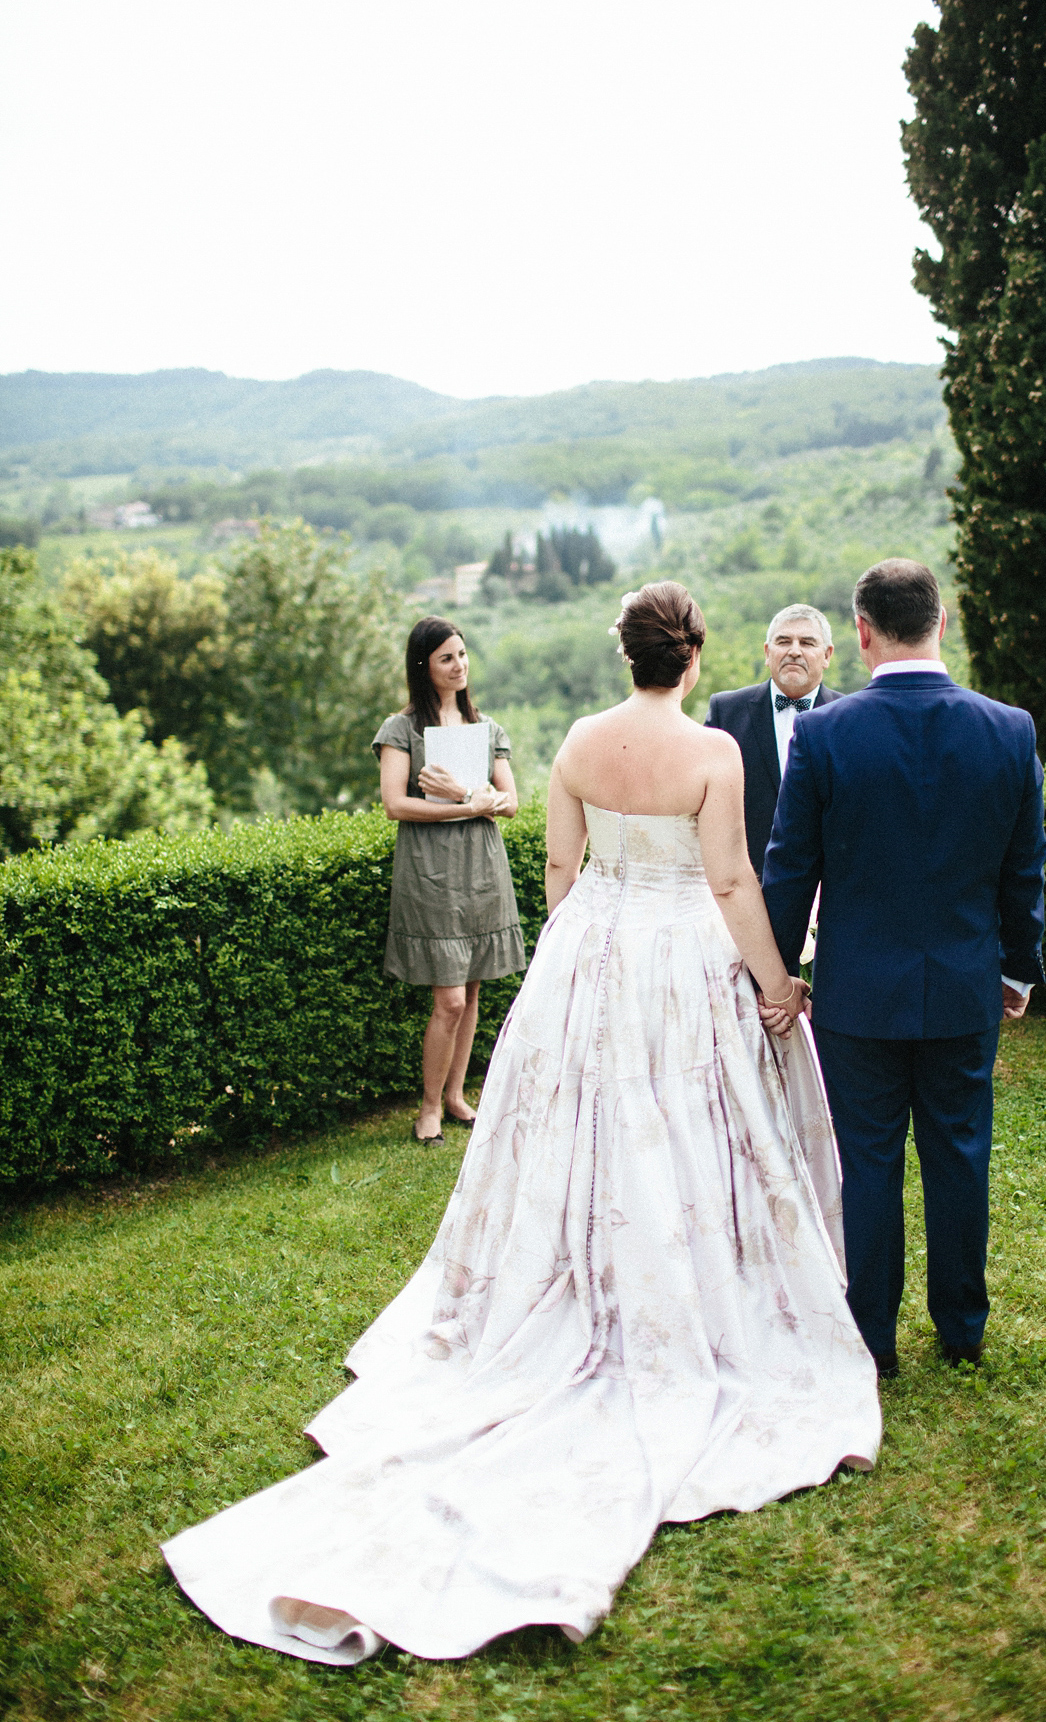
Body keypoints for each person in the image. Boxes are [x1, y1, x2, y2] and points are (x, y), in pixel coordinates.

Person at [161, 581, 881, 1664]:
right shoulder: (714, 753)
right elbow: (730, 879)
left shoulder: (579, 742)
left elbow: (558, 865)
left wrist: (579, 950)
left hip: (590, 945)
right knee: (689, 1125)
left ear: (627, 654)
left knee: (572, 1130)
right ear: (691, 660)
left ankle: (566, 1279)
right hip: (681, 954)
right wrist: (775, 984)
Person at [759, 559, 1046, 1378]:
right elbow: (1024, 871)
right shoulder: (1010, 729)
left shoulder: (822, 734)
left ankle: (872, 1341)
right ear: (940, 623)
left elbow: (789, 871)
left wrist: (776, 976)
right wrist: (1017, 971)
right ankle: (962, 1329)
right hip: (965, 985)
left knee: (869, 1162)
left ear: (860, 633)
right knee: (960, 1154)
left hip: (858, 996)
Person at [374, 617, 526, 1143]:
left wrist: (468, 797)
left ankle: (459, 1095)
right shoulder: (402, 730)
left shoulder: (488, 729)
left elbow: (509, 803)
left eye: (462, 654)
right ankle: (429, 1107)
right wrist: (469, 803)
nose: (459, 665)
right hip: (431, 873)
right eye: (446, 658)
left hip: (481, 869)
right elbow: (395, 804)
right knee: (451, 999)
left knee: (475, 987)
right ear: (425, 666)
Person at [704, 603, 843, 878]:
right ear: (767, 653)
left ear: (827, 655)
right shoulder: (726, 711)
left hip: (826, 888)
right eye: (783, 641)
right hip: (743, 883)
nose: (794, 650)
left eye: (807, 642)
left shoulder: (849, 718)